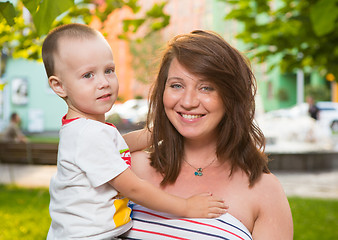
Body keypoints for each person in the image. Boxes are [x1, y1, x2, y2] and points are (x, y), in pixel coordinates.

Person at [42, 24, 227, 240]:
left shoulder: (82, 128)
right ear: (59, 86)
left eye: (109, 70)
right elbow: (134, 188)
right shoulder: (87, 134)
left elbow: (121, 144)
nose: (103, 82)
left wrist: (162, 129)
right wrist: (186, 206)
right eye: (88, 75)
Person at [121, 30, 293, 239]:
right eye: (177, 85)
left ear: (230, 97)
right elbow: (86, 150)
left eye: (206, 88)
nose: (188, 101)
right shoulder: (130, 168)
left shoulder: (264, 190)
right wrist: (156, 132)